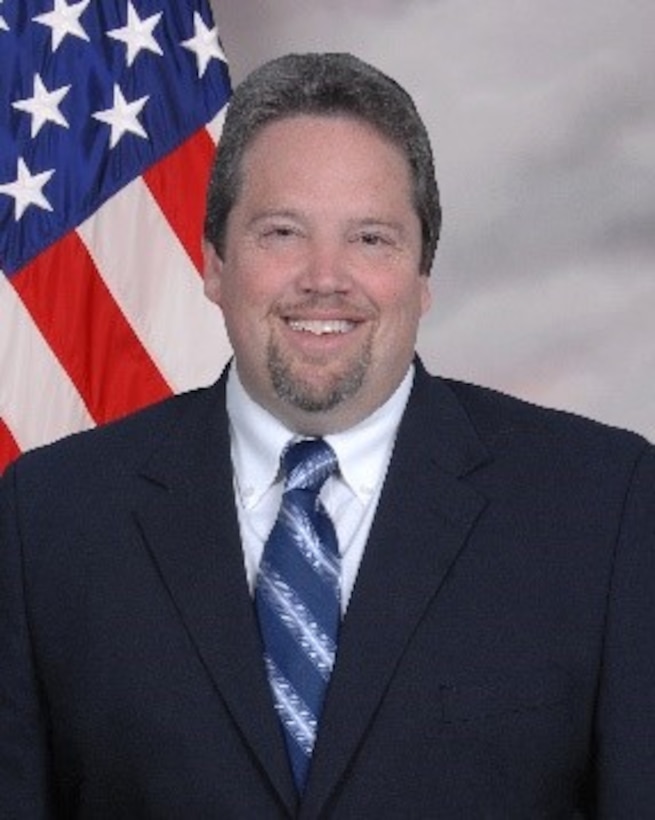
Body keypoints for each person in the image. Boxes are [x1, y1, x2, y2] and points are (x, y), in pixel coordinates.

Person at [1, 52, 654, 819]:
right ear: (213, 263)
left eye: (370, 239)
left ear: (422, 274)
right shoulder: (47, 517)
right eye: (281, 232)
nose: (324, 277)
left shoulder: (602, 508)